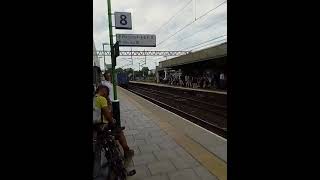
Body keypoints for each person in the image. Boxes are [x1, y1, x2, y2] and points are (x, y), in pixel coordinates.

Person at [93, 85, 134, 159]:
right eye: (107, 92)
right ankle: (127, 151)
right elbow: (108, 115)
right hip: (101, 126)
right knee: (119, 132)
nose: (107, 94)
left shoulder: (94, 98)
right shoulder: (101, 99)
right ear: (103, 90)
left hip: (94, 125)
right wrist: (113, 121)